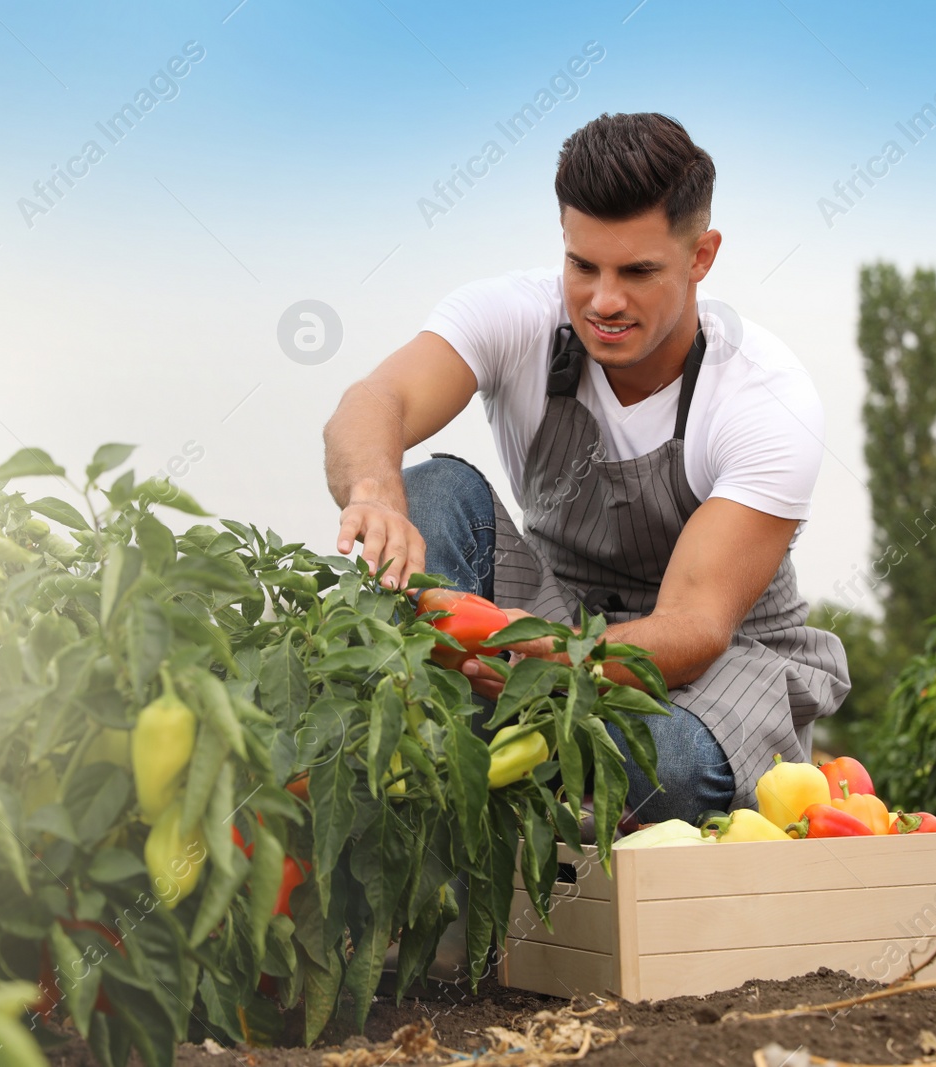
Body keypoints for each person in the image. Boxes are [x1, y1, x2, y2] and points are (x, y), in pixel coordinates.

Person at [322, 111, 849, 822]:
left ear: (701, 256)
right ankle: (456, 773)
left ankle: (493, 766)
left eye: (638, 272)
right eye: (583, 265)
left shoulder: (763, 397)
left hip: (718, 664)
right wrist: (375, 494)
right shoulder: (514, 316)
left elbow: (694, 627)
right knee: (430, 491)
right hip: (552, 606)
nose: (603, 301)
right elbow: (374, 400)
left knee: (676, 767)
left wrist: (536, 652)